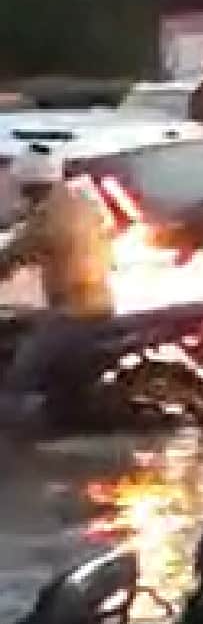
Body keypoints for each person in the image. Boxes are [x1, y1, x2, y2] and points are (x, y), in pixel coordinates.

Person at [0, 146, 114, 428]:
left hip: (74, 310)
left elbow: (16, 252)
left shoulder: (49, 216)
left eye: (24, 188)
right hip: (98, 300)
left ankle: (20, 436)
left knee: (21, 374)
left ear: (32, 186)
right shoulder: (79, 201)